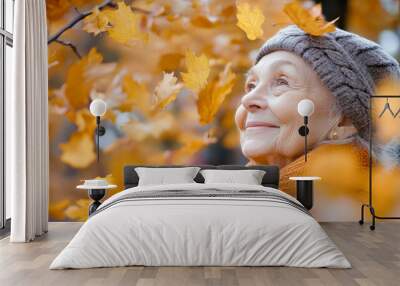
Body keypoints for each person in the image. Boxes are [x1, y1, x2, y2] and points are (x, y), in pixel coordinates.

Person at [235, 25, 400, 196]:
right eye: (251, 85)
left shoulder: (347, 209)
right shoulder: (252, 198)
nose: (247, 100)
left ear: (344, 121)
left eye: (282, 82)